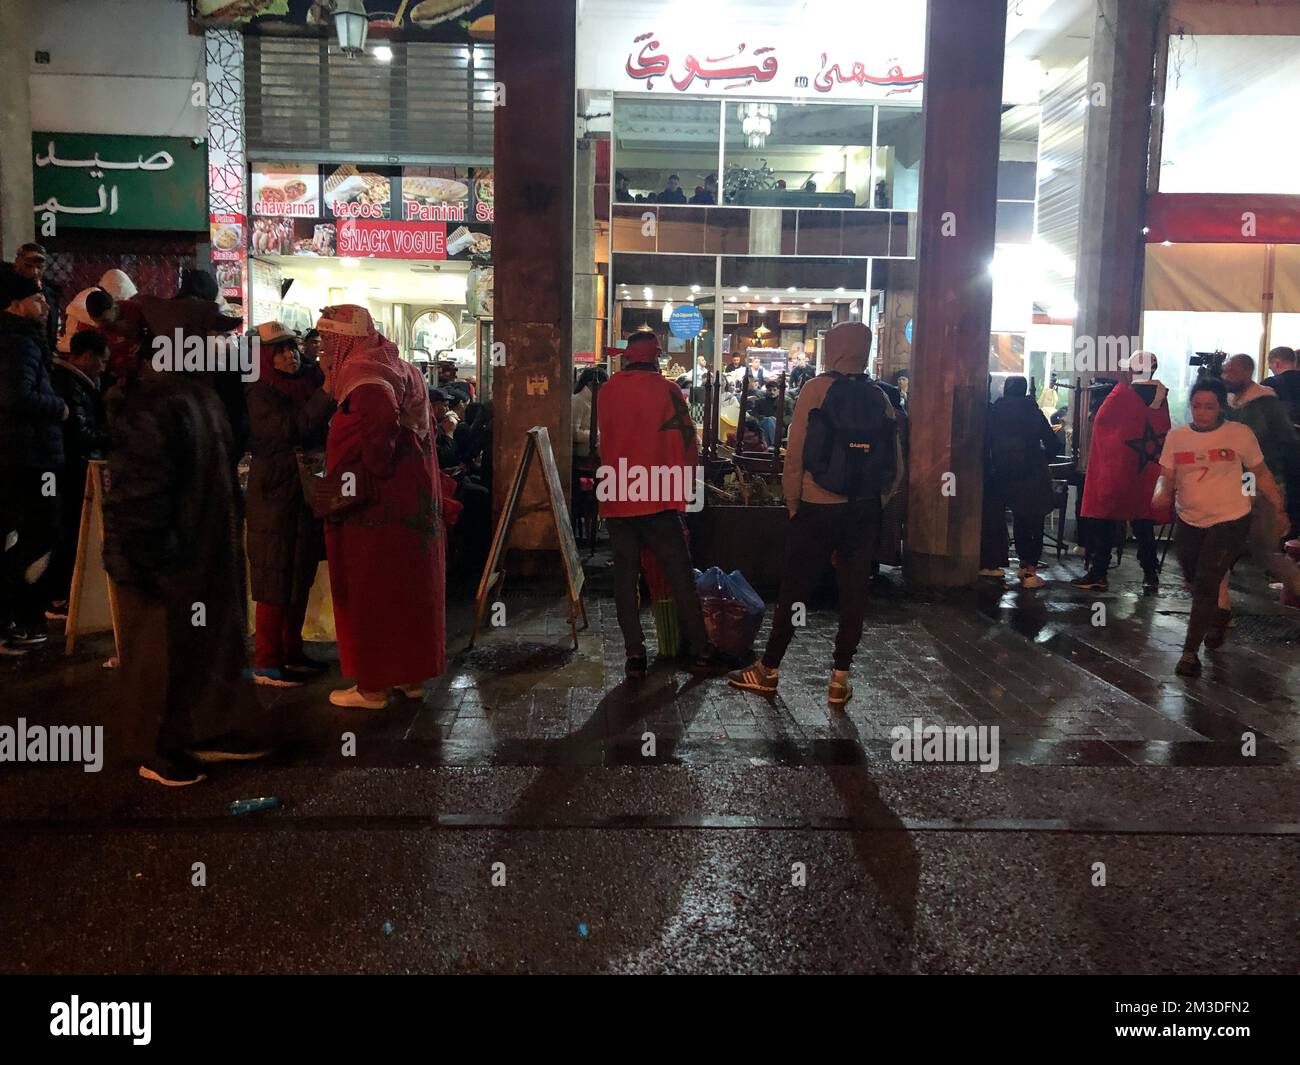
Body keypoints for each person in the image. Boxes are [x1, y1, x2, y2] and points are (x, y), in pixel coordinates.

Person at [102, 321, 269, 786]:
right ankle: (156, 748)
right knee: (160, 652)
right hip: (164, 554)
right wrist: (152, 555)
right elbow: (140, 489)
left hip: (202, 550)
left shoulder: (198, 395)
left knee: (208, 645)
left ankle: (209, 730)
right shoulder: (152, 402)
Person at [728, 322, 902, 706]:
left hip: (816, 506)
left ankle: (769, 669)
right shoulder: (880, 396)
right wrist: (875, 501)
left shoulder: (815, 390)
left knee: (796, 588)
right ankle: (840, 678)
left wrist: (793, 502)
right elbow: (896, 465)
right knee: (854, 592)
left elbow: (796, 455)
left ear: (834, 349)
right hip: (864, 509)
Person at [317, 304, 448, 708]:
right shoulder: (395, 365)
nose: (322, 349)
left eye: (327, 340)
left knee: (374, 590)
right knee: (407, 588)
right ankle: (409, 676)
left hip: (377, 507)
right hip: (411, 503)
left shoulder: (365, 376)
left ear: (345, 340)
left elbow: (378, 439)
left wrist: (368, 466)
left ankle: (372, 686)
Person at [597, 332, 723, 679]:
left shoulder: (608, 390)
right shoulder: (668, 390)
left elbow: (603, 438)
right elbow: (687, 441)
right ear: (654, 358)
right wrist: (685, 492)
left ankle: (634, 653)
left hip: (618, 494)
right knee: (679, 574)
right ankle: (700, 649)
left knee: (625, 577)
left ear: (626, 357)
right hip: (656, 497)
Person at [1152, 378, 1285, 677]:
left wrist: (1279, 508)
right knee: (1191, 576)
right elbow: (1167, 475)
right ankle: (1221, 614)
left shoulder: (1239, 434)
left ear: (1220, 408)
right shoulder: (1177, 436)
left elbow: (1260, 474)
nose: (1201, 413)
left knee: (1206, 581)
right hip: (1189, 519)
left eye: (1209, 407)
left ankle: (1189, 653)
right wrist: (1161, 492)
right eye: (1197, 406)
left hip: (1230, 518)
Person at [244, 322, 336, 687]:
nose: (289, 355)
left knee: (300, 573)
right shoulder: (259, 393)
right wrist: (326, 391)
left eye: (291, 348)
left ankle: (291, 650)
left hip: (301, 493)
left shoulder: (306, 383)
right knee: (275, 573)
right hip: (275, 494)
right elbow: (290, 430)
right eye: (279, 351)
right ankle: (267, 661)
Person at [0, 274, 68, 650]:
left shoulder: (20, 341)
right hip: (31, 458)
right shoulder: (19, 344)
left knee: (20, 535)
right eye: (37, 300)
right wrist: (58, 407)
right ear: (15, 304)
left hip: (23, 455)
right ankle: (20, 617)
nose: (44, 307)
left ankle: (15, 618)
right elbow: (17, 397)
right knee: (39, 533)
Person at [1072, 353, 1170, 592]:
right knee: (1142, 523)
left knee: (1103, 521)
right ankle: (1150, 574)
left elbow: (1102, 428)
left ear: (1132, 371)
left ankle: (1099, 572)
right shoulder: (1162, 399)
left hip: (1115, 470)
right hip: (1145, 469)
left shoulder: (1120, 396)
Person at [1222, 352, 1300, 600]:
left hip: (1260, 477)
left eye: (1232, 372)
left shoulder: (1266, 402)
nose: (1227, 376)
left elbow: (1288, 440)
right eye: (1226, 371)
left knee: (1261, 547)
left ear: (1246, 372)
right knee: (1233, 541)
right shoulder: (1234, 402)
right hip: (1242, 479)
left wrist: (1277, 486)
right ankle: (1219, 604)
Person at [45, 329, 111, 617]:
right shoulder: (69, 385)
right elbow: (79, 433)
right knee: (70, 531)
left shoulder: (78, 384)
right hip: (71, 469)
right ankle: (59, 597)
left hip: (73, 466)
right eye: (101, 361)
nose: (103, 367)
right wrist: (111, 437)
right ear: (86, 357)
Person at [979, 376, 1059, 587]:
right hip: (1031, 474)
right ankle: (1028, 571)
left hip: (1000, 474)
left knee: (1001, 519)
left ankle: (992, 564)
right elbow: (1054, 444)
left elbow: (984, 442)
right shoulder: (1034, 413)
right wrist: (1042, 458)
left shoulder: (995, 412)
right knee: (1031, 520)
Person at [1, 243, 62, 355]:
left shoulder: (50, 294)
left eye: (39, 267)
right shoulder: (5, 289)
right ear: (17, 263)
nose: (35, 272)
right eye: (28, 266)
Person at [751, 377, 795, 447]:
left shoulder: (786, 401)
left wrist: (778, 420)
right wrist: (764, 419)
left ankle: (767, 446)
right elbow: (754, 415)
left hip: (780, 426)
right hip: (763, 425)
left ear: (778, 390)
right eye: (770, 390)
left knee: (770, 421)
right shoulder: (760, 402)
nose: (772, 392)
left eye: (774, 390)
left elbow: (791, 416)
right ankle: (775, 446)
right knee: (768, 421)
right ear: (766, 391)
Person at [573, 367, 606, 459]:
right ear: (591, 384)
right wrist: (598, 435)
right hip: (582, 449)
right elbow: (574, 433)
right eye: (603, 386)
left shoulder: (593, 401)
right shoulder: (578, 401)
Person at [1262, 345, 1300, 425]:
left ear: (1277, 364)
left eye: (1270, 365)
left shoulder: (1269, 384)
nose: (1269, 368)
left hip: (1283, 433)